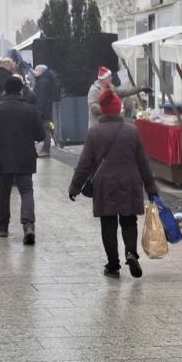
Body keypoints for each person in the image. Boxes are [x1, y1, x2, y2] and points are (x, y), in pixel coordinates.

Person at [69, 89, 158, 278]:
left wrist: (75, 187)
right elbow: (143, 162)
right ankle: (131, 253)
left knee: (108, 224)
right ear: (118, 109)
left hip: (105, 184)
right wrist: (151, 188)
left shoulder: (94, 132)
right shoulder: (131, 130)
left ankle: (113, 265)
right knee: (129, 220)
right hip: (130, 181)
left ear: (102, 109)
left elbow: (84, 164)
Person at [0, 77, 45, 244]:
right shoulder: (31, 110)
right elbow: (41, 135)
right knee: (26, 191)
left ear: (5, 90)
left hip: (2, 157)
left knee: (4, 192)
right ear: (20, 90)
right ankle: (28, 225)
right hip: (25, 156)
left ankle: (3, 227)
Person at [32, 65, 60, 157]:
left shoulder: (43, 82)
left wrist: (38, 111)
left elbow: (41, 98)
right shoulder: (45, 80)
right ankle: (47, 147)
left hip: (43, 110)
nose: (34, 71)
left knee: (46, 128)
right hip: (46, 109)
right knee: (48, 127)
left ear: (41, 72)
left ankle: (46, 149)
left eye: (36, 70)